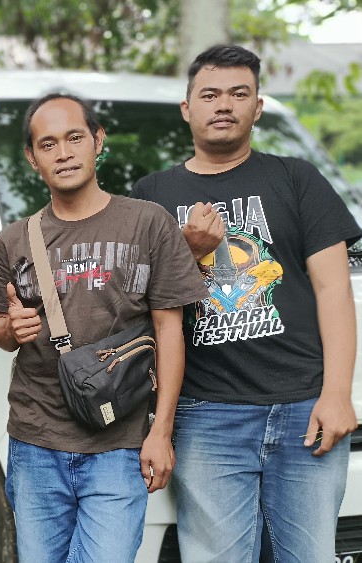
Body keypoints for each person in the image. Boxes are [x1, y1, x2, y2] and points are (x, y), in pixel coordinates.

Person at [131, 44, 361, 562]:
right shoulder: (152, 194)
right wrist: (188, 253)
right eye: (209, 94)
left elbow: (334, 290)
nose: (224, 105)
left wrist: (337, 394)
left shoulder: (297, 179)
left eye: (239, 94)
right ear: (187, 108)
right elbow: (139, 303)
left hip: (304, 407)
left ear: (257, 108)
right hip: (205, 413)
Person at [0, 93, 207, 562]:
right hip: (35, 442)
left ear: (98, 141)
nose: (63, 153)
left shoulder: (148, 223)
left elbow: (170, 332)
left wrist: (161, 432)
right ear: (32, 158)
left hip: (119, 443)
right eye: (48, 144)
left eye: (74, 138)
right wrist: (11, 329)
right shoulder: (13, 240)